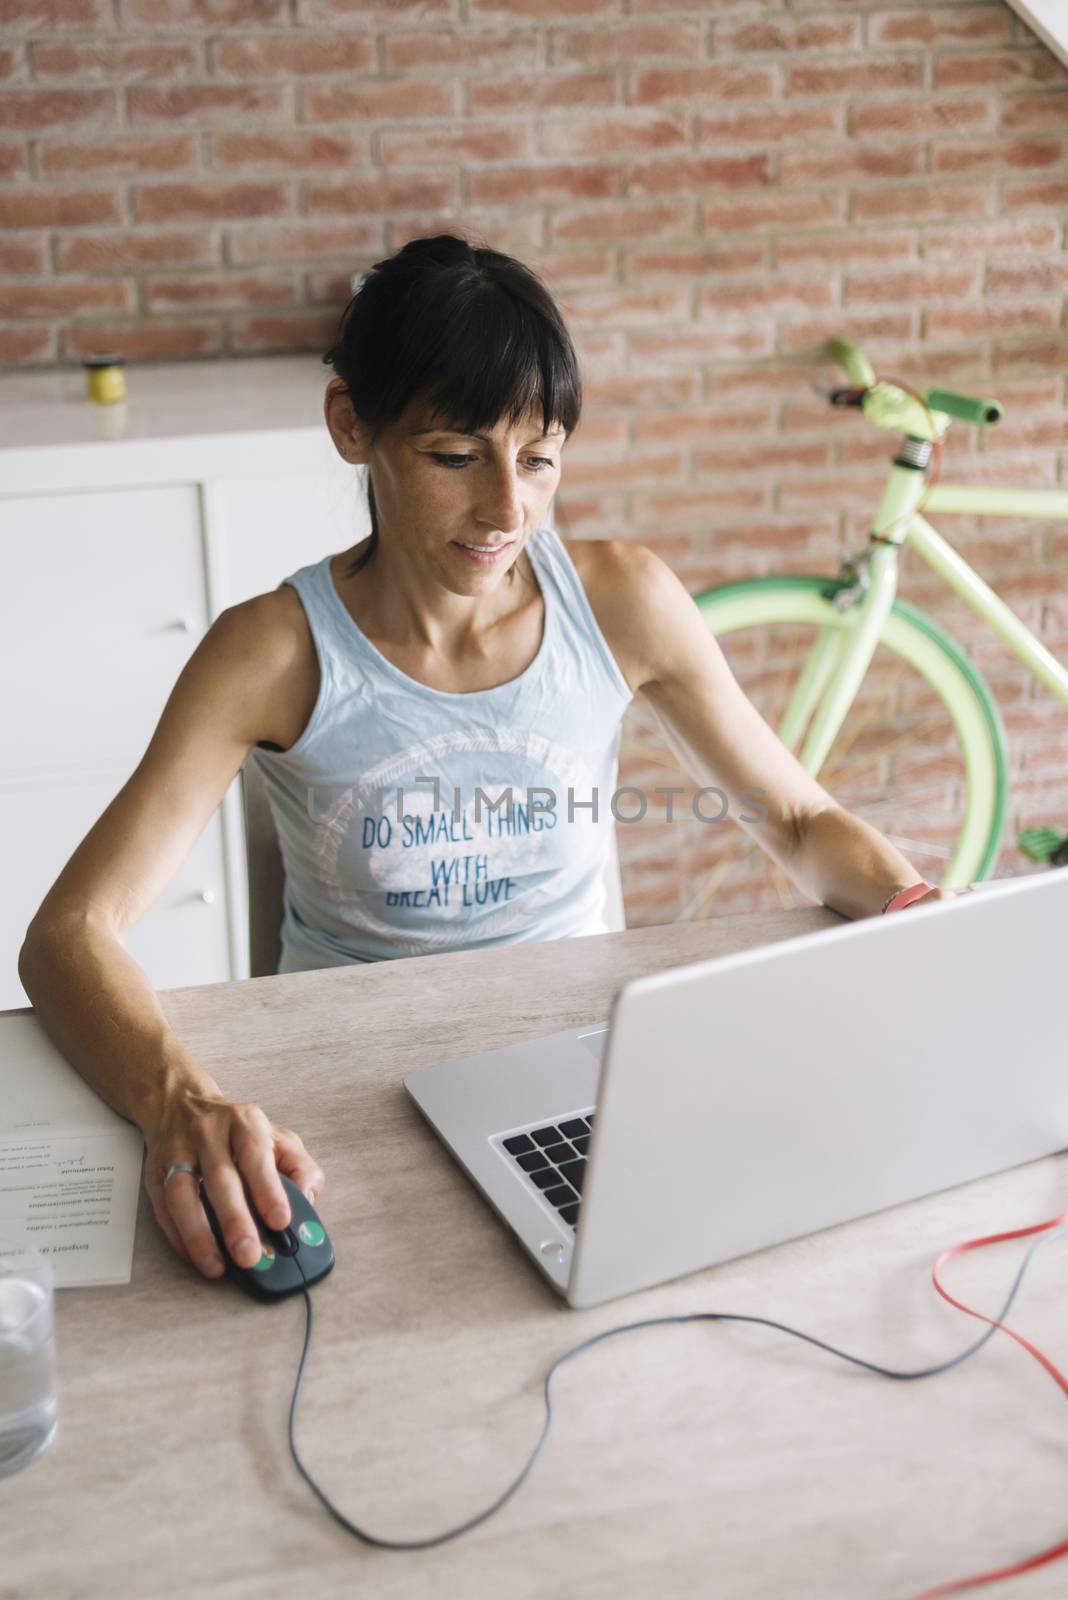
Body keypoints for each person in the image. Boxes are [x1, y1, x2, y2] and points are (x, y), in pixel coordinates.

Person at [17, 233, 951, 1287]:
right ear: (351, 427)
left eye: (540, 458)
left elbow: (795, 822)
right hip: (344, 1111)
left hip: (582, 1075)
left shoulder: (623, 601)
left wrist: (924, 920)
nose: (508, 511)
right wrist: (178, 1096)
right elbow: (68, 936)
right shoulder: (268, 651)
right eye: (457, 456)